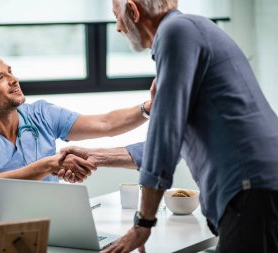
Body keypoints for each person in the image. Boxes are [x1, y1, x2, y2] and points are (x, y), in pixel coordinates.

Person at [63, 0, 278, 252]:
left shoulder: (176, 32)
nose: (118, 28)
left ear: (133, 11)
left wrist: (142, 224)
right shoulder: (187, 31)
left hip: (252, 188)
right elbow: (169, 144)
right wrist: (94, 157)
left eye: (116, 16)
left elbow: (164, 139)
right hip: (254, 189)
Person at [0, 48, 153, 231]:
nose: (14, 79)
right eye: (0, 78)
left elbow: (105, 123)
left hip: (48, 230)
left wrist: (148, 108)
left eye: (10, 71)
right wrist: (49, 165)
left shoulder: (41, 114)